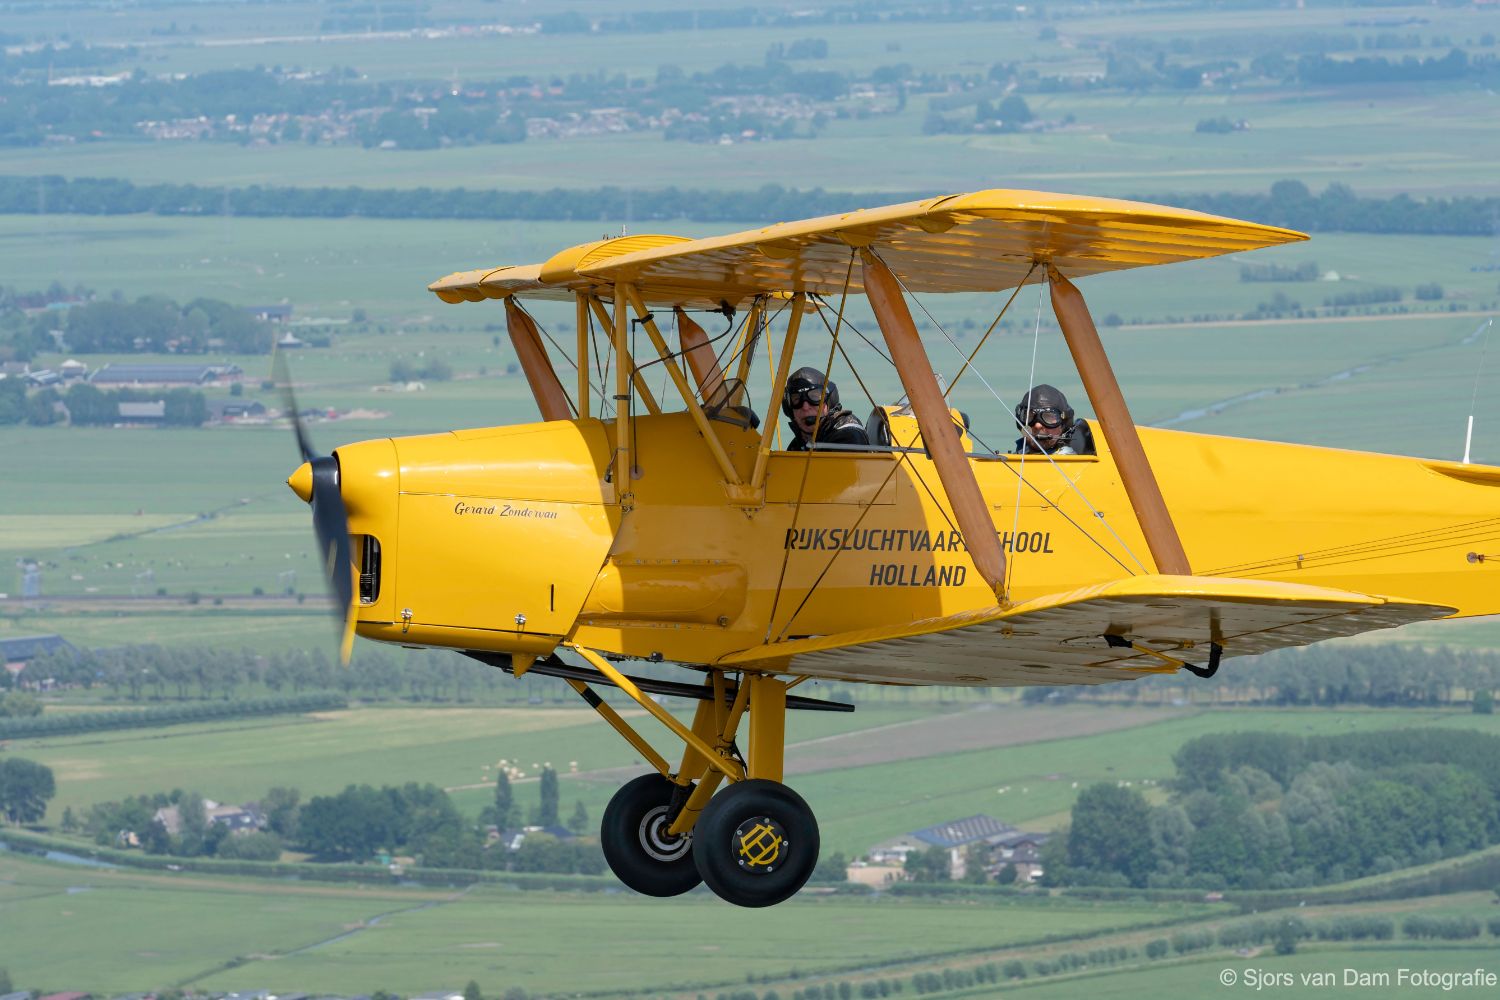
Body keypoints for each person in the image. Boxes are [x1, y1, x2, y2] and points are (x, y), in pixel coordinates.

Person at [782, 367, 869, 451]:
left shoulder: (849, 435)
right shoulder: (797, 446)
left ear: (829, 401)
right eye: (796, 400)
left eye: (814, 397)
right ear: (789, 409)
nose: (805, 407)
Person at [1012, 383, 1095, 456]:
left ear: (1063, 425)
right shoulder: (1016, 458)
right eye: (1029, 416)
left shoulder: (1073, 466)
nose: (1038, 425)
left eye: (1049, 417)